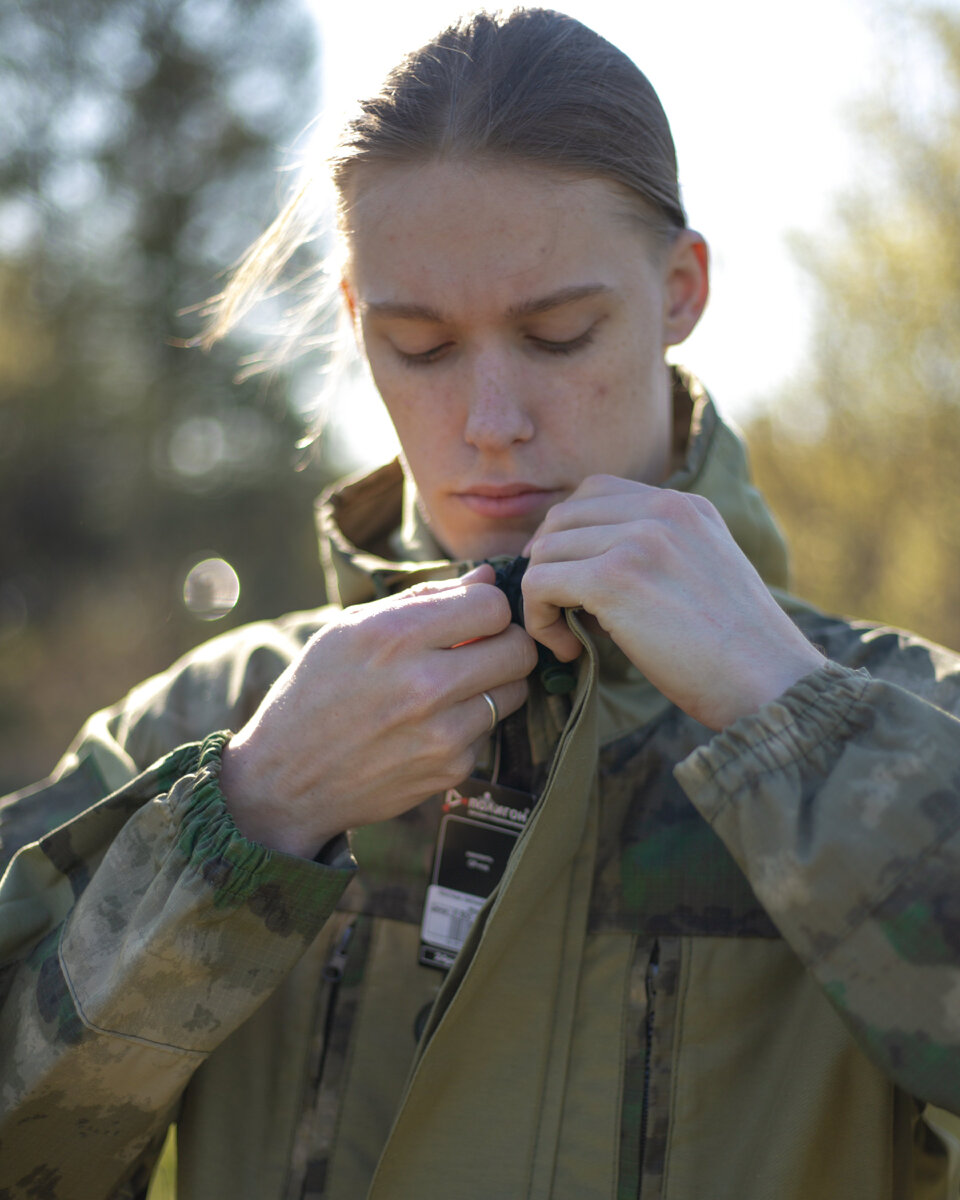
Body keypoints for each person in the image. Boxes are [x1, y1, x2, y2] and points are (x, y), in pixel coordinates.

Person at [2, 8, 959, 1199]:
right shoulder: (211, 724)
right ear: (353, 317)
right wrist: (250, 818)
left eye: (559, 335)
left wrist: (799, 725)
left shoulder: (904, 715)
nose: (492, 421)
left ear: (681, 290)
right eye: (420, 347)